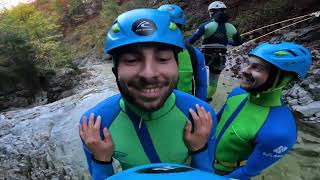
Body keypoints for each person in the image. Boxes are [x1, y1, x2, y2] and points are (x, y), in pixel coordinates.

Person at [79, 8, 217, 180]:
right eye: (131, 60)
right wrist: (102, 161)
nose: (149, 73)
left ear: (177, 65)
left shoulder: (200, 116)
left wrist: (199, 150)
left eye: (163, 59)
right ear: (115, 70)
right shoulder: (95, 125)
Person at [214, 42, 312, 179]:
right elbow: (214, 123)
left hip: (226, 174)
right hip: (202, 156)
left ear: (284, 79)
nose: (244, 71)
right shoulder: (237, 93)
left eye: (257, 68)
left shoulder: (280, 131)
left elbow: (247, 172)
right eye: (247, 64)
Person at [187, 1, 242, 101]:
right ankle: (206, 98)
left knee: (196, 77)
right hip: (220, 57)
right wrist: (227, 41)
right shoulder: (231, 28)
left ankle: (192, 97)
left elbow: (190, 41)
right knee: (213, 82)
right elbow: (238, 42)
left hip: (203, 56)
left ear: (211, 12)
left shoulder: (206, 25)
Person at [158, 4, 208, 101]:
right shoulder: (194, 53)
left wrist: (199, 107)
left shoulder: (194, 53)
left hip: (183, 108)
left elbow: (201, 85)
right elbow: (202, 85)